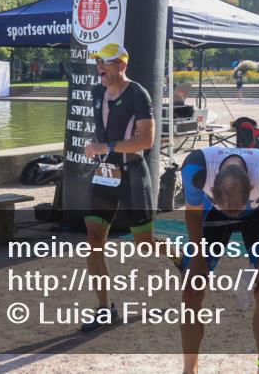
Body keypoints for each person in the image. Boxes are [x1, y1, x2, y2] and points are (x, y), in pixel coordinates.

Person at [180, 146, 259, 374]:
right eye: (229, 210)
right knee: (191, 289)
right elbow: (193, 213)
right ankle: (190, 369)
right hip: (211, 214)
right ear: (213, 183)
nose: (233, 215)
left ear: (250, 187)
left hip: (257, 216)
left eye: (235, 210)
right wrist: (197, 259)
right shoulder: (196, 168)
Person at [80, 43, 157, 332]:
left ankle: (180, 258)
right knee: (93, 239)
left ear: (121, 66)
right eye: (98, 61)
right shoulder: (96, 93)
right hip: (104, 174)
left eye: (106, 62)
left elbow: (146, 141)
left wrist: (106, 146)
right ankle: (104, 308)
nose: (100, 66)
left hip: (132, 174)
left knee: (145, 244)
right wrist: (98, 150)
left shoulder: (138, 94)